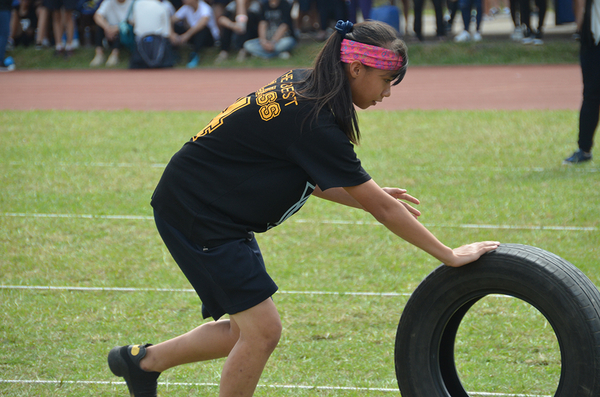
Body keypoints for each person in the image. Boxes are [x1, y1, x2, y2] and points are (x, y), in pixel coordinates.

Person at [106, 19, 500, 397]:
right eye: (386, 81)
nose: (388, 93)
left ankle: (141, 362)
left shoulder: (308, 88)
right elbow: (382, 210)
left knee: (246, 330)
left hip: (209, 206)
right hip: (197, 212)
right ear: (358, 69)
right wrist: (448, 254)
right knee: (262, 331)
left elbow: (302, 176)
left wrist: (367, 196)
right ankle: (143, 363)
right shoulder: (314, 118)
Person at [563, 0, 599, 164]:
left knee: (591, 95)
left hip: (591, 40)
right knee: (591, 95)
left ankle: (584, 150)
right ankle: (584, 149)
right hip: (592, 41)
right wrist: (580, 28)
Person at [170, 0, 219, 67]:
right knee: (176, 26)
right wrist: (172, 33)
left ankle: (195, 54)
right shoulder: (186, 7)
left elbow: (203, 22)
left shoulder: (205, 7)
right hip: (193, 36)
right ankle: (174, 53)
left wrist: (187, 35)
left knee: (203, 29)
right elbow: (172, 20)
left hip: (209, 38)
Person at [128, 0, 175, 68]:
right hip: (158, 45)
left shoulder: (137, 4)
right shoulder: (163, 7)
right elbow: (167, 33)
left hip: (140, 47)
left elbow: (132, 22)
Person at [91, 0, 133, 66]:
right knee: (99, 27)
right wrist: (107, 27)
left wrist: (116, 28)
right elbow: (97, 16)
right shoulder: (108, 2)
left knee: (122, 30)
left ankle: (114, 55)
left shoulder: (132, 2)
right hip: (109, 29)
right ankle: (99, 54)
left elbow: (131, 21)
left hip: (123, 31)